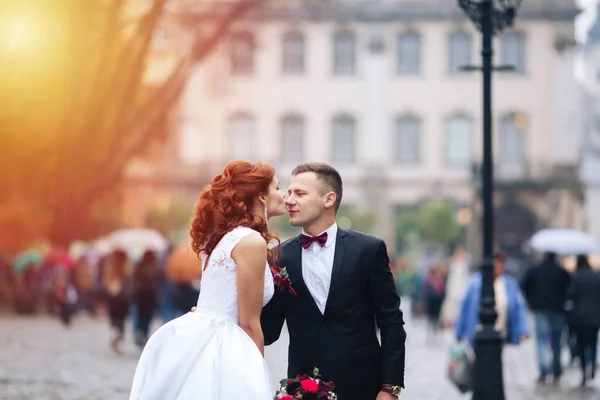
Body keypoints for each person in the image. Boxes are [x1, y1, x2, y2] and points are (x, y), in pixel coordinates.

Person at [129, 160, 286, 399]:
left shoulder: (224, 239)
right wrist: (256, 374)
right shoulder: (250, 241)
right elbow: (249, 323)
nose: (283, 194)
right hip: (225, 344)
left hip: (199, 334)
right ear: (262, 197)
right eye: (277, 187)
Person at [261, 162, 406, 400]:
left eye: (299, 193)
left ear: (329, 199)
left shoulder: (368, 249)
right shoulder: (278, 256)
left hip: (363, 387)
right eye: (288, 193)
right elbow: (269, 331)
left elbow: (391, 321)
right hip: (302, 389)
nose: (288, 200)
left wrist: (390, 388)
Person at [455, 250, 530, 346]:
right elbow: (465, 308)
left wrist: (523, 329)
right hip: (478, 333)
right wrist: (459, 332)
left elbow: (519, 307)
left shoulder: (510, 284)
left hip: (503, 332)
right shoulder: (475, 284)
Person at [520, 252, 570, 383]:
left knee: (541, 339)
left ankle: (543, 369)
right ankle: (556, 367)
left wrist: (531, 302)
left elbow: (524, 286)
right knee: (556, 340)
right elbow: (569, 289)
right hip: (557, 309)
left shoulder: (535, 270)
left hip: (540, 308)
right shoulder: (561, 272)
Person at [567, 255, 600, 387]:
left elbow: (570, 296)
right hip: (595, 316)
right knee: (592, 342)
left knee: (581, 344)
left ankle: (583, 369)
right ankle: (592, 365)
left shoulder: (575, 277)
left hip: (579, 317)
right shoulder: (596, 277)